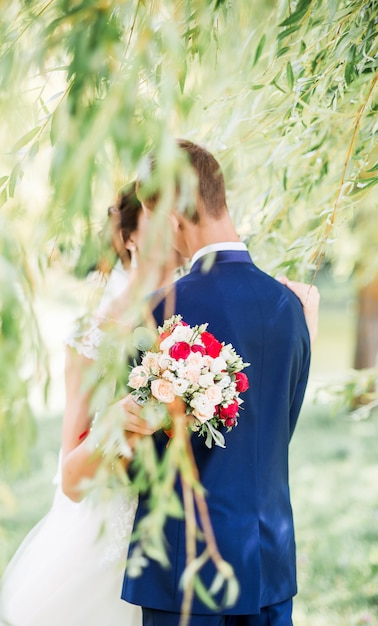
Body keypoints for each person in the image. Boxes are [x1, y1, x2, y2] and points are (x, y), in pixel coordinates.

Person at [121, 139, 319, 626]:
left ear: (171, 217)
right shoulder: (292, 309)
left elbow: (136, 463)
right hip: (269, 565)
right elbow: (277, 433)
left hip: (184, 575)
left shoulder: (157, 312)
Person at [0, 183, 158, 626]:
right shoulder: (98, 330)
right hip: (108, 524)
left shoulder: (193, 314)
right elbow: (72, 466)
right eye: (156, 220)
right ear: (128, 237)